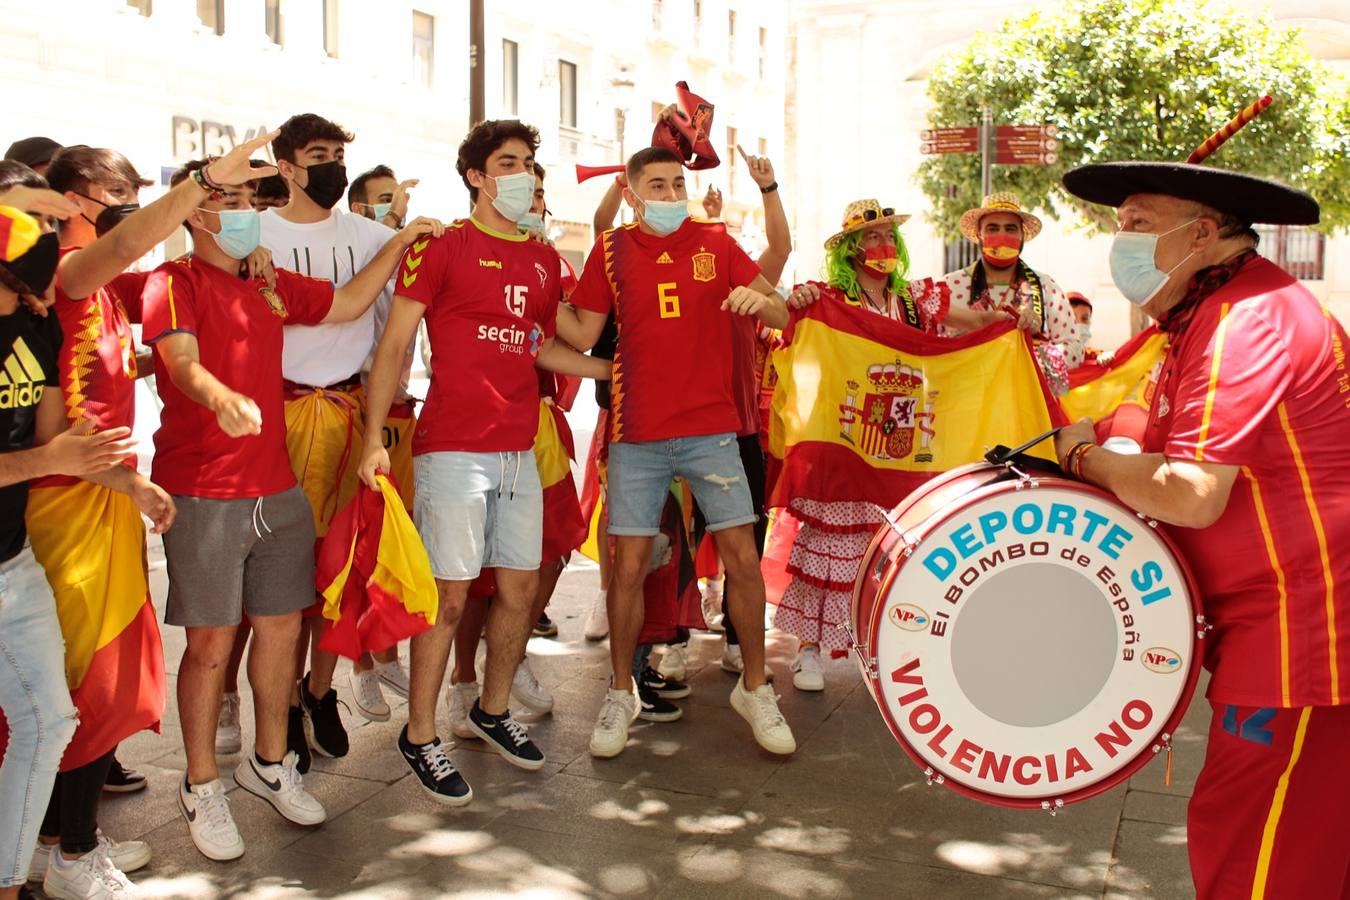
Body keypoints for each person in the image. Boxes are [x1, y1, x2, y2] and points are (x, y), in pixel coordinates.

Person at [1056, 160, 1349, 900]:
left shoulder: (1242, 321)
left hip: (1302, 635)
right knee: (1274, 829)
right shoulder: (1223, 307)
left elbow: (1190, 492)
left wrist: (1087, 461)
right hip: (1275, 624)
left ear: (1204, 233)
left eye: (1138, 226)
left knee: (1261, 840)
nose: (1120, 243)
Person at [142, 157, 441, 863]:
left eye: (252, 199)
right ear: (193, 211)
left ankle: (271, 761)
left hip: (277, 490)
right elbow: (180, 361)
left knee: (281, 628)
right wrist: (220, 397)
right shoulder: (173, 283)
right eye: (231, 200)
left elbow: (343, 302)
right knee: (213, 644)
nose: (247, 212)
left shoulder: (267, 285)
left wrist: (397, 241)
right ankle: (201, 783)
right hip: (203, 490)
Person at [27, 138, 279, 897]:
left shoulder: (106, 293)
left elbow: (171, 311)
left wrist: (251, 263)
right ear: (76, 204)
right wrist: (201, 182)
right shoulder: (70, 274)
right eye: (121, 198)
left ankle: (55, 841)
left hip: (105, 497)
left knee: (100, 682)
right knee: (93, 685)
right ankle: (70, 856)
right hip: (66, 509)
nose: (134, 212)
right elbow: (137, 243)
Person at [359, 119, 608, 804]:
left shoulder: (537, 255)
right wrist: (373, 436)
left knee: (520, 591)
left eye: (528, 162)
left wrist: (607, 365)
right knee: (448, 598)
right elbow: (395, 347)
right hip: (452, 450)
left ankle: (491, 711)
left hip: (519, 449)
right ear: (475, 175)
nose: (522, 174)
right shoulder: (442, 249)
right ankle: (420, 734)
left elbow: (541, 345)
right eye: (507, 162)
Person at [556, 144, 796, 759]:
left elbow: (778, 306)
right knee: (629, 566)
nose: (669, 195)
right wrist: (501, 308)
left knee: (742, 559)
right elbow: (581, 330)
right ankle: (619, 691)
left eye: (675, 184)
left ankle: (756, 686)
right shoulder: (610, 252)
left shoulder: (716, 244)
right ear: (632, 194)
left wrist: (760, 301)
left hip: (712, 432)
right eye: (656, 186)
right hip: (636, 433)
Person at [773, 199, 1015, 692]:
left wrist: (1012, 326)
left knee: (885, 546)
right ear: (850, 251)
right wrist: (795, 302)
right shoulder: (830, 296)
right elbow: (785, 316)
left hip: (903, 434)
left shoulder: (915, 298)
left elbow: (973, 321)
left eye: (887, 237)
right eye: (870, 239)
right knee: (831, 538)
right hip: (846, 429)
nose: (882, 246)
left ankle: (876, 646)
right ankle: (809, 651)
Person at [258, 113, 420, 770]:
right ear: (288, 167)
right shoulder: (255, 234)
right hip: (281, 416)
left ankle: (319, 690)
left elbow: (389, 334)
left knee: (342, 569)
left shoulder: (371, 236)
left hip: (353, 415)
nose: (332, 165)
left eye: (337, 154)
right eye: (317, 155)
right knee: (285, 583)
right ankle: (282, 711)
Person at [0, 192, 141, 900]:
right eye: (28, 222)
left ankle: (43, 856)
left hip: (26, 548)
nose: (44, 241)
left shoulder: (36, 325)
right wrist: (203, 185)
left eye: (51, 225)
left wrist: (128, 484)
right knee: (54, 707)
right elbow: (44, 454)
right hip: (42, 535)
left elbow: (62, 440)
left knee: (56, 712)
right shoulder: (56, 301)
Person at [445, 161, 589, 737]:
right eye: (520, 182)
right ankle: (461, 683)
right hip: (480, 431)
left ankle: (512, 656)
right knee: (475, 572)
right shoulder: (459, 248)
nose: (532, 198)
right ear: (482, 183)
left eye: (539, 191)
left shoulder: (550, 261)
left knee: (550, 554)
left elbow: (579, 326)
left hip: (541, 428)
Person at [940, 192, 1084, 393]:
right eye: (992, 228)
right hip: (967, 403)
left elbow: (1075, 351)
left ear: (1021, 236)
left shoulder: (1045, 287)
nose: (1002, 235)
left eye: (1010, 229)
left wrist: (1032, 347)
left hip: (1028, 405)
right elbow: (931, 347)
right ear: (979, 235)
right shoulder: (950, 286)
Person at [348, 164, 417, 231]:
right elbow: (378, 241)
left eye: (399, 199)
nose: (399, 207)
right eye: (386, 200)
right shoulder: (347, 239)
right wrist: (394, 216)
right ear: (358, 210)